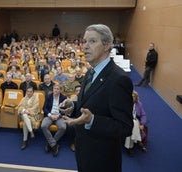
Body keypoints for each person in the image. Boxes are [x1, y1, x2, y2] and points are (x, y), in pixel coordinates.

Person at [62, 24, 133, 172]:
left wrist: (93, 120)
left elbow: (125, 127)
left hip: (102, 161)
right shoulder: (89, 72)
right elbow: (91, 103)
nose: (85, 46)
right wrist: (74, 106)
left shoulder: (119, 79)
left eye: (92, 41)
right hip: (83, 152)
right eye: (84, 41)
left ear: (107, 45)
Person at [41, 83, 67, 157]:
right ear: (52, 89)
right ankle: (54, 145)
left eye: (57, 89)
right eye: (54, 88)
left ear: (60, 90)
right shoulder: (49, 96)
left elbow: (65, 109)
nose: (56, 90)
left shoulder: (64, 98)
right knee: (43, 126)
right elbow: (44, 108)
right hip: (50, 115)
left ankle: (50, 143)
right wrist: (50, 115)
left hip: (59, 116)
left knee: (63, 127)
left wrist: (58, 115)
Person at [125, 90, 148, 156]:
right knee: (133, 124)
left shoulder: (139, 104)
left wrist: (142, 124)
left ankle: (130, 147)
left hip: (135, 120)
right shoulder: (125, 104)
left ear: (136, 98)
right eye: (131, 96)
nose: (132, 98)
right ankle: (139, 142)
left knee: (134, 123)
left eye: (134, 96)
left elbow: (143, 115)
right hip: (126, 120)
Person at [17, 86, 40, 150]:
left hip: (32, 115)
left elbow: (35, 108)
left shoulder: (36, 99)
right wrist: (24, 111)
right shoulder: (23, 98)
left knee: (25, 122)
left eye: (30, 92)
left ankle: (25, 140)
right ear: (26, 92)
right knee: (24, 115)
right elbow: (20, 107)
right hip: (25, 114)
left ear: (33, 92)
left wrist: (27, 111)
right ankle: (31, 131)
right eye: (28, 91)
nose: (29, 93)